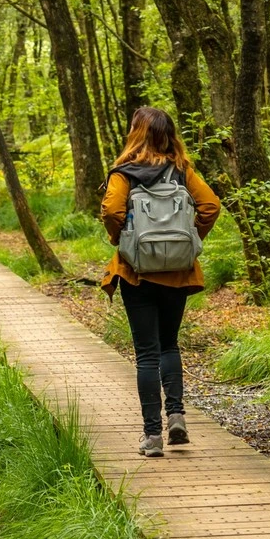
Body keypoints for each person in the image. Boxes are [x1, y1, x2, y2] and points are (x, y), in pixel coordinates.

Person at [100, 107, 221, 457]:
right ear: (169, 134)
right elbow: (210, 205)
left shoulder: (124, 172)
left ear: (136, 133)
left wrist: (122, 240)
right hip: (178, 273)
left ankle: (152, 436)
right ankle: (177, 416)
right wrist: (188, 241)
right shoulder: (181, 169)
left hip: (136, 273)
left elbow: (111, 212)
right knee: (169, 344)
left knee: (147, 354)